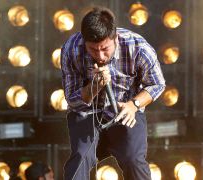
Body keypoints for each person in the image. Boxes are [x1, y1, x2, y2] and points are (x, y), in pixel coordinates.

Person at [61, 6, 165, 180]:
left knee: (133, 160)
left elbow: (157, 84)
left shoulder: (138, 46)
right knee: (79, 159)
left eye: (105, 49)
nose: (100, 56)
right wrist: (94, 87)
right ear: (84, 41)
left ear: (115, 38)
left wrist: (134, 104)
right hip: (88, 113)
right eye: (93, 50)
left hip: (126, 109)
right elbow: (72, 100)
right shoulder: (71, 49)